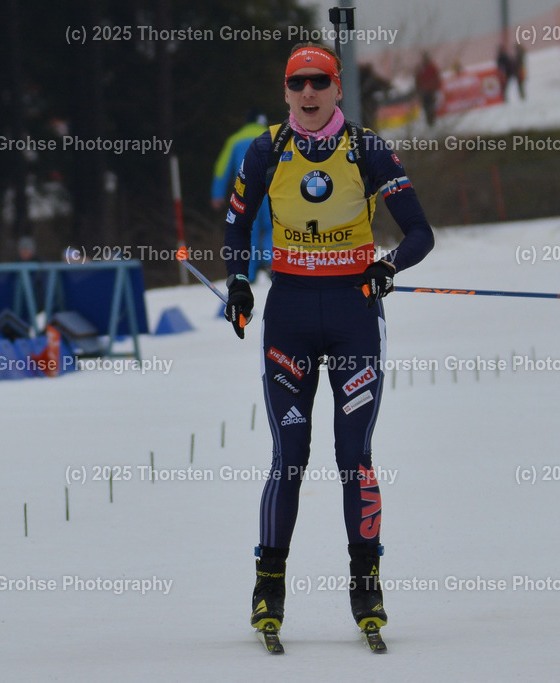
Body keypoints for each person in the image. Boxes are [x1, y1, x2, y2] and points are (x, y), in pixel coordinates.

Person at [223, 42, 434, 643]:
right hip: (289, 314)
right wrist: (238, 282)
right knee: (289, 457)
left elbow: (420, 231)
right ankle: (269, 585)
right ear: (286, 92)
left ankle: (366, 584)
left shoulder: (367, 149)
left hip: (353, 316)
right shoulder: (265, 149)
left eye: (320, 82)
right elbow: (237, 223)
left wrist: (387, 266)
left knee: (353, 459)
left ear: (337, 88)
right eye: (298, 84)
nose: (309, 94)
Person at [212, 109, 272, 281]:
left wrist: (217, 194)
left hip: (245, 191)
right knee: (272, 228)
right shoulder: (273, 136)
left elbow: (221, 169)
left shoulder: (234, 140)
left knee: (246, 230)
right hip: (270, 191)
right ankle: (272, 265)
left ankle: (248, 273)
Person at [414, 51, 442, 127]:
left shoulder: (432, 67)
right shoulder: (421, 68)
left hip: (430, 91)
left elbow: (437, 78)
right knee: (426, 108)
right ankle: (429, 123)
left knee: (431, 107)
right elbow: (417, 80)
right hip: (424, 91)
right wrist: (419, 90)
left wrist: (436, 88)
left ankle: (432, 122)